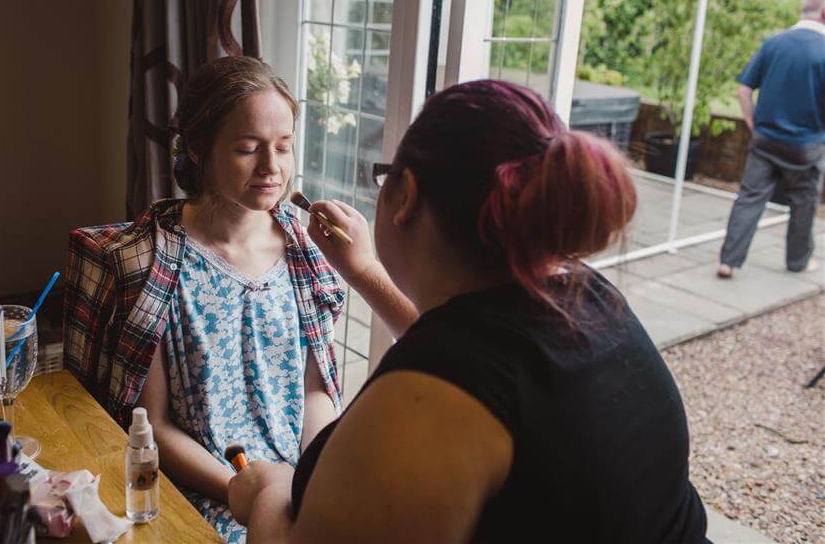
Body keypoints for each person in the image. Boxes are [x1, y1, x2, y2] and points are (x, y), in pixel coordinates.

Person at [227, 80, 710, 543]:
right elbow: (478, 358)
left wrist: (269, 493)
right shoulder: (587, 296)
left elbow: (460, 375)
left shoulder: (430, 404)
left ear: (407, 194)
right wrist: (365, 272)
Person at [62, 56, 416, 542]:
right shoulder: (152, 266)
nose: (273, 168)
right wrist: (241, 489)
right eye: (249, 149)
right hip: (207, 492)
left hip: (298, 483)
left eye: (285, 147)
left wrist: (310, 478)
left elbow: (315, 391)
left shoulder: (307, 251)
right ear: (199, 150)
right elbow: (154, 426)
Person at [718, 0, 825, 278]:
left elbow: (743, 90)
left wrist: (753, 124)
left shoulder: (774, 43)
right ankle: (797, 261)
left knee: (749, 198)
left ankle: (728, 261)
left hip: (765, 140)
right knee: (804, 204)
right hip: (807, 145)